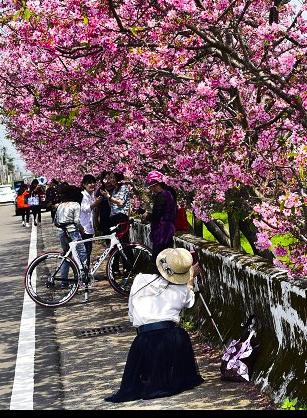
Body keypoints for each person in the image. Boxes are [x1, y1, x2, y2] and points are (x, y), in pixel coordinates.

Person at [105, 247, 204, 402]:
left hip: (143, 340)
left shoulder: (139, 279)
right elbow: (189, 303)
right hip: (169, 339)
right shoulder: (181, 288)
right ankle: (172, 375)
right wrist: (190, 279)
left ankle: (150, 375)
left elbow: (132, 314)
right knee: (180, 333)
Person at [53, 184, 86, 284]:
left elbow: (56, 221)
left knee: (67, 255)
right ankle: (83, 277)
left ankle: (64, 281)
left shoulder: (60, 206)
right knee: (82, 254)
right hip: (73, 232)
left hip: (61, 232)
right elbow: (76, 221)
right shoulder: (75, 205)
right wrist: (81, 229)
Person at [146, 171, 176, 261]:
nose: (150, 188)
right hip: (167, 229)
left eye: (151, 185)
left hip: (162, 231)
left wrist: (147, 216)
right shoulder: (168, 193)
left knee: (157, 260)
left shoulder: (161, 195)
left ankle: (158, 275)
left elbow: (156, 215)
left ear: (155, 184)